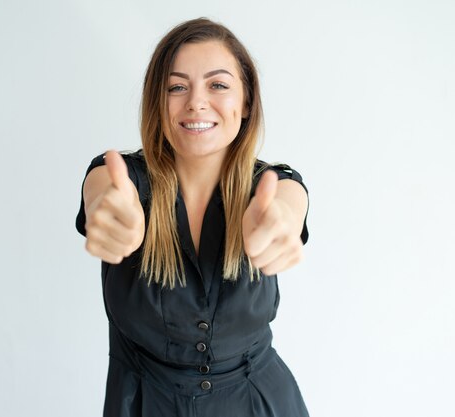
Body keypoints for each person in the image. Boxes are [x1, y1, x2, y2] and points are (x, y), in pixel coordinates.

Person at [75, 17, 310, 417]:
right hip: (144, 404)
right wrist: (108, 212)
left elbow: (289, 205)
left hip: (259, 405)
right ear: (157, 101)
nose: (196, 102)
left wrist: (281, 223)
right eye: (177, 87)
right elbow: (102, 194)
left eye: (218, 85)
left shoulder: (272, 186)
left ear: (246, 101)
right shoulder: (119, 179)